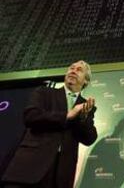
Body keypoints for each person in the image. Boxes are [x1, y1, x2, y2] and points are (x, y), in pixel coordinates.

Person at [2, 60, 97, 188]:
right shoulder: (44, 92)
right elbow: (31, 117)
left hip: (60, 175)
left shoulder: (86, 106)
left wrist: (83, 119)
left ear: (86, 81)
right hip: (29, 168)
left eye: (79, 70)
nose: (73, 71)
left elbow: (89, 139)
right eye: (71, 68)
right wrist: (67, 115)